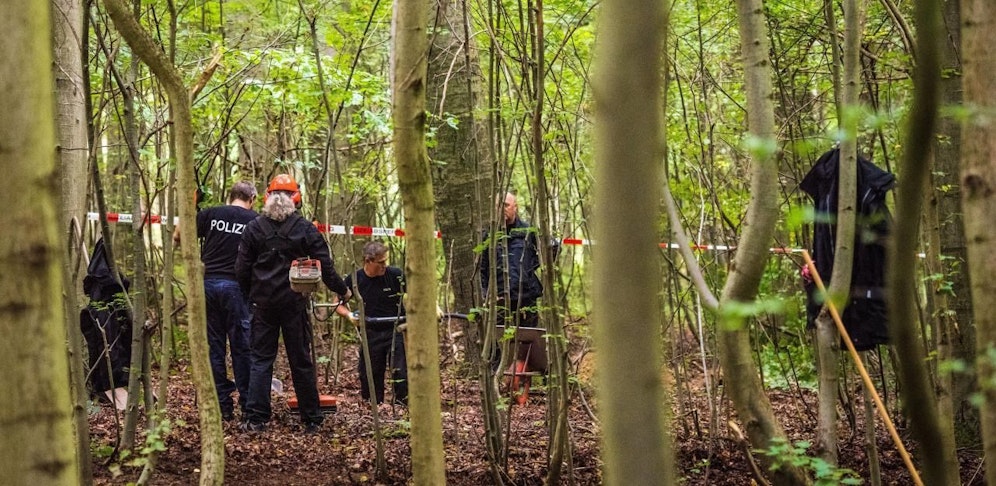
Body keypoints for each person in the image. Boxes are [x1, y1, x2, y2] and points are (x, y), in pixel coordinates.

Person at [235, 174, 349, 433]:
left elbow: (241, 269)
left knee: (261, 360)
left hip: (262, 305)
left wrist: (249, 296)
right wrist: (343, 290)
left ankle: (256, 419)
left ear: (267, 198)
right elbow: (325, 265)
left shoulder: (254, 228)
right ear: (296, 198)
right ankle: (311, 418)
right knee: (300, 360)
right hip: (293, 304)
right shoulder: (305, 228)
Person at [176, 181, 258, 421]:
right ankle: (247, 405)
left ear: (229, 196)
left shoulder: (211, 214)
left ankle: (222, 406)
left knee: (214, 347)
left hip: (208, 285)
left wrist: (191, 206)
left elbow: (179, 235)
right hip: (237, 288)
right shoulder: (254, 221)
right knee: (242, 347)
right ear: (251, 199)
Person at [479, 192, 547, 373]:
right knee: (496, 345)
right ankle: (495, 381)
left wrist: (533, 267)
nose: (502, 209)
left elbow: (548, 253)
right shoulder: (489, 237)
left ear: (515, 207)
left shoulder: (529, 232)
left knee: (529, 343)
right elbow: (482, 271)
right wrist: (487, 295)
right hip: (500, 301)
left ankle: (526, 380)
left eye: (506, 205)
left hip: (526, 299)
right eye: (498, 205)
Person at [335, 241, 408, 406]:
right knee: (370, 374)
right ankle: (373, 409)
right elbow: (337, 304)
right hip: (370, 331)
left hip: (396, 329)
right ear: (368, 261)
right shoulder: (355, 279)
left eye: (385, 261)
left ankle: (402, 408)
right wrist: (349, 315)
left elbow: (417, 294)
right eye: (380, 262)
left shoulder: (395, 275)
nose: (384, 266)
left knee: (400, 372)